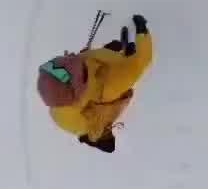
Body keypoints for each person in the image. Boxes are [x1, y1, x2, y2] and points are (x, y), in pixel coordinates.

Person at [37, 15, 152, 153]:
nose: (72, 57)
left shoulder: (57, 107)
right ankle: (122, 57)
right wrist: (142, 31)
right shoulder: (110, 86)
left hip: (82, 118)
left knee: (94, 59)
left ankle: (117, 55)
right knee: (124, 69)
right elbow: (142, 61)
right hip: (101, 101)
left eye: (67, 59)